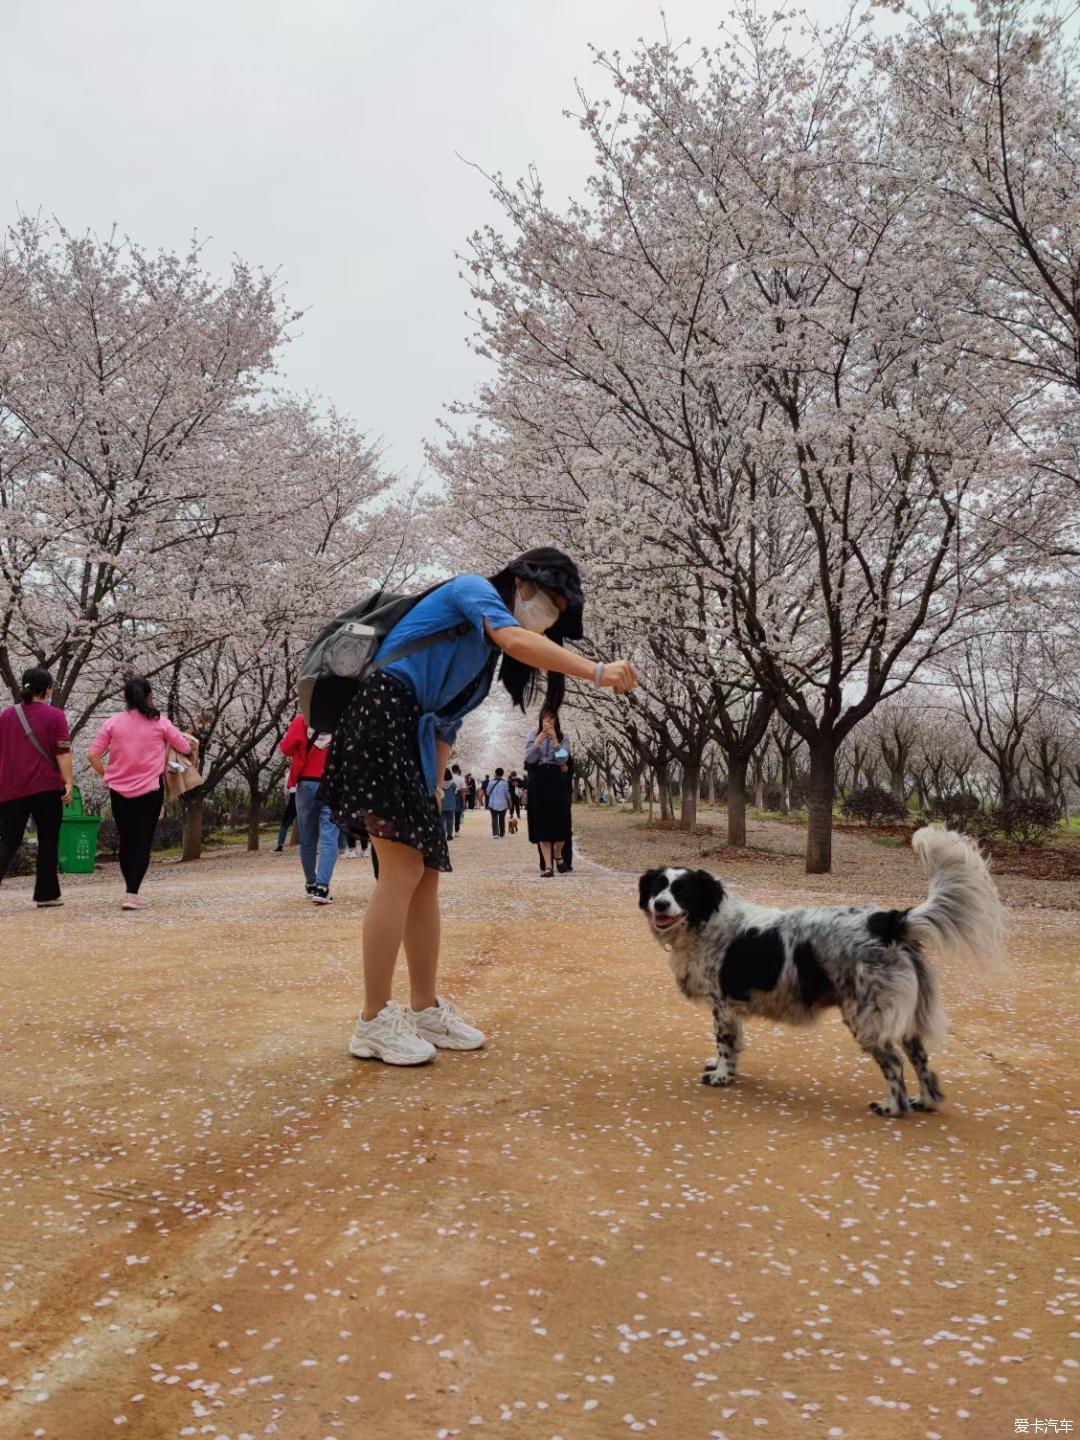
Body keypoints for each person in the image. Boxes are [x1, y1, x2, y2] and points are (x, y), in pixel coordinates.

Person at [318, 545, 637, 1066]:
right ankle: (373, 1020)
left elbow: (445, 724)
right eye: (550, 600)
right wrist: (596, 671)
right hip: (379, 717)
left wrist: (433, 784)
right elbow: (514, 637)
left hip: (409, 736)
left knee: (424, 874)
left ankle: (424, 1009)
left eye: (559, 609)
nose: (549, 615)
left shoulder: (483, 659)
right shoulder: (474, 591)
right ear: (522, 580)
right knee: (400, 869)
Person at [87, 676, 194, 910]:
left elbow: (92, 754)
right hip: (149, 790)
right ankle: (132, 893)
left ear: (126, 698)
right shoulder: (161, 723)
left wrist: (107, 775)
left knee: (126, 840)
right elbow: (185, 748)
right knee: (142, 841)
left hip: (118, 791)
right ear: (149, 697)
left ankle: (129, 889)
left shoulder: (112, 723)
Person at [0, 667, 74, 907]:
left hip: (11, 788)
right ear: (48, 688)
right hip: (46, 787)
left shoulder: (6, 716)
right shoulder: (55, 716)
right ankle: (46, 894)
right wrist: (68, 782)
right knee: (48, 839)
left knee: (8, 840)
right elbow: (63, 751)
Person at [279, 715, 341, 904]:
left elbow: (286, 748)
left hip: (305, 784)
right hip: (332, 784)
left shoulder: (302, 719)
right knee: (329, 838)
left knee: (307, 839)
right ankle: (322, 888)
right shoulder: (340, 719)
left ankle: (311, 884)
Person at [525, 709, 573, 877]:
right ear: (540, 721)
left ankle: (558, 855)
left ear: (556, 722)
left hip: (556, 778)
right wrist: (538, 741)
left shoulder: (563, 737)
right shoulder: (532, 735)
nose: (548, 723)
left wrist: (554, 739)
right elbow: (530, 759)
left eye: (551, 720)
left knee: (561, 819)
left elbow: (562, 759)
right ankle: (548, 866)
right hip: (539, 780)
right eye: (545, 720)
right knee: (542, 822)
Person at [487, 768, 510, 837]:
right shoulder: (505, 783)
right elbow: (507, 794)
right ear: (502, 774)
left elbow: (488, 792)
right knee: (502, 818)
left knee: (494, 818)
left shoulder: (491, 782)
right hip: (503, 803)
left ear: (495, 773)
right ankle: (502, 833)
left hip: (493, 803)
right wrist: (510, 802)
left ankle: (495, 834)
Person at [274, 785, 297, 852]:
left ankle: (280, 846)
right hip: (305, 795)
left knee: (284, 823)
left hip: (293, 796)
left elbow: (286, 792)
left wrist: (287, 803)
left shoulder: (288, 774)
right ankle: (312, 848)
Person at [440, 767, 458, 841]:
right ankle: (449, 835)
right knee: (450, 821)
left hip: (441, 804)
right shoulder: (453, 784)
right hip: (451, 805)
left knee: (441, 821)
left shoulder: (439, 784)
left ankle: (442, 835)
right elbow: (455, 793)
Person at [451, 763, 466, 834]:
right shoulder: (461, 779)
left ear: (452, 770)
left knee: (450, 814)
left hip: (449, 796)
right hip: (458, 796)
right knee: (457, 814)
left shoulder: (448, 778)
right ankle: (457, 831)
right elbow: (463, 792)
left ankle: (449, 831)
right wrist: (464, 801)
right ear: (458, 770)